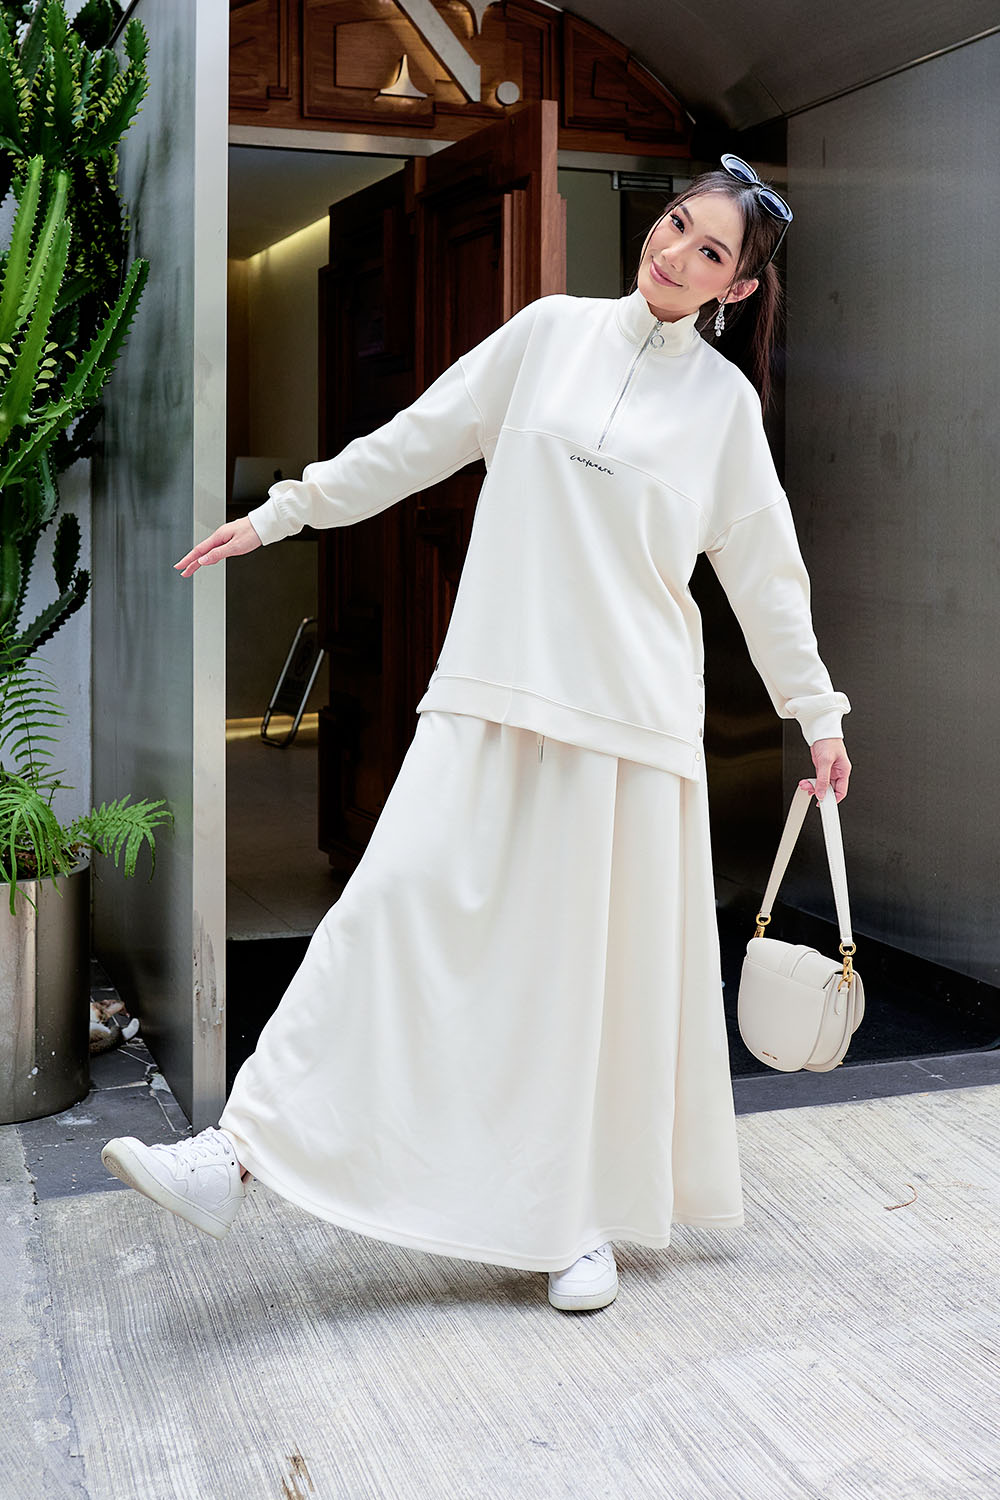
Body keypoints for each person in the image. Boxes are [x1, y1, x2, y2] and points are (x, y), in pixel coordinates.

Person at [101, 155, 852, 1314]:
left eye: (709, 251)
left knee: (580, 986)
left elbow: (766, 576)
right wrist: (283, 513)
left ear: (736, 288)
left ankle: (578, 1222)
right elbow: (418, 439)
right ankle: (238, 1151)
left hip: (629, 725)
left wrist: (816, 713)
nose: (674, 254)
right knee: (386, 914)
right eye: (674, 225)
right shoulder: (547, 334)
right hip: (491, 693)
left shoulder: (723, 410)